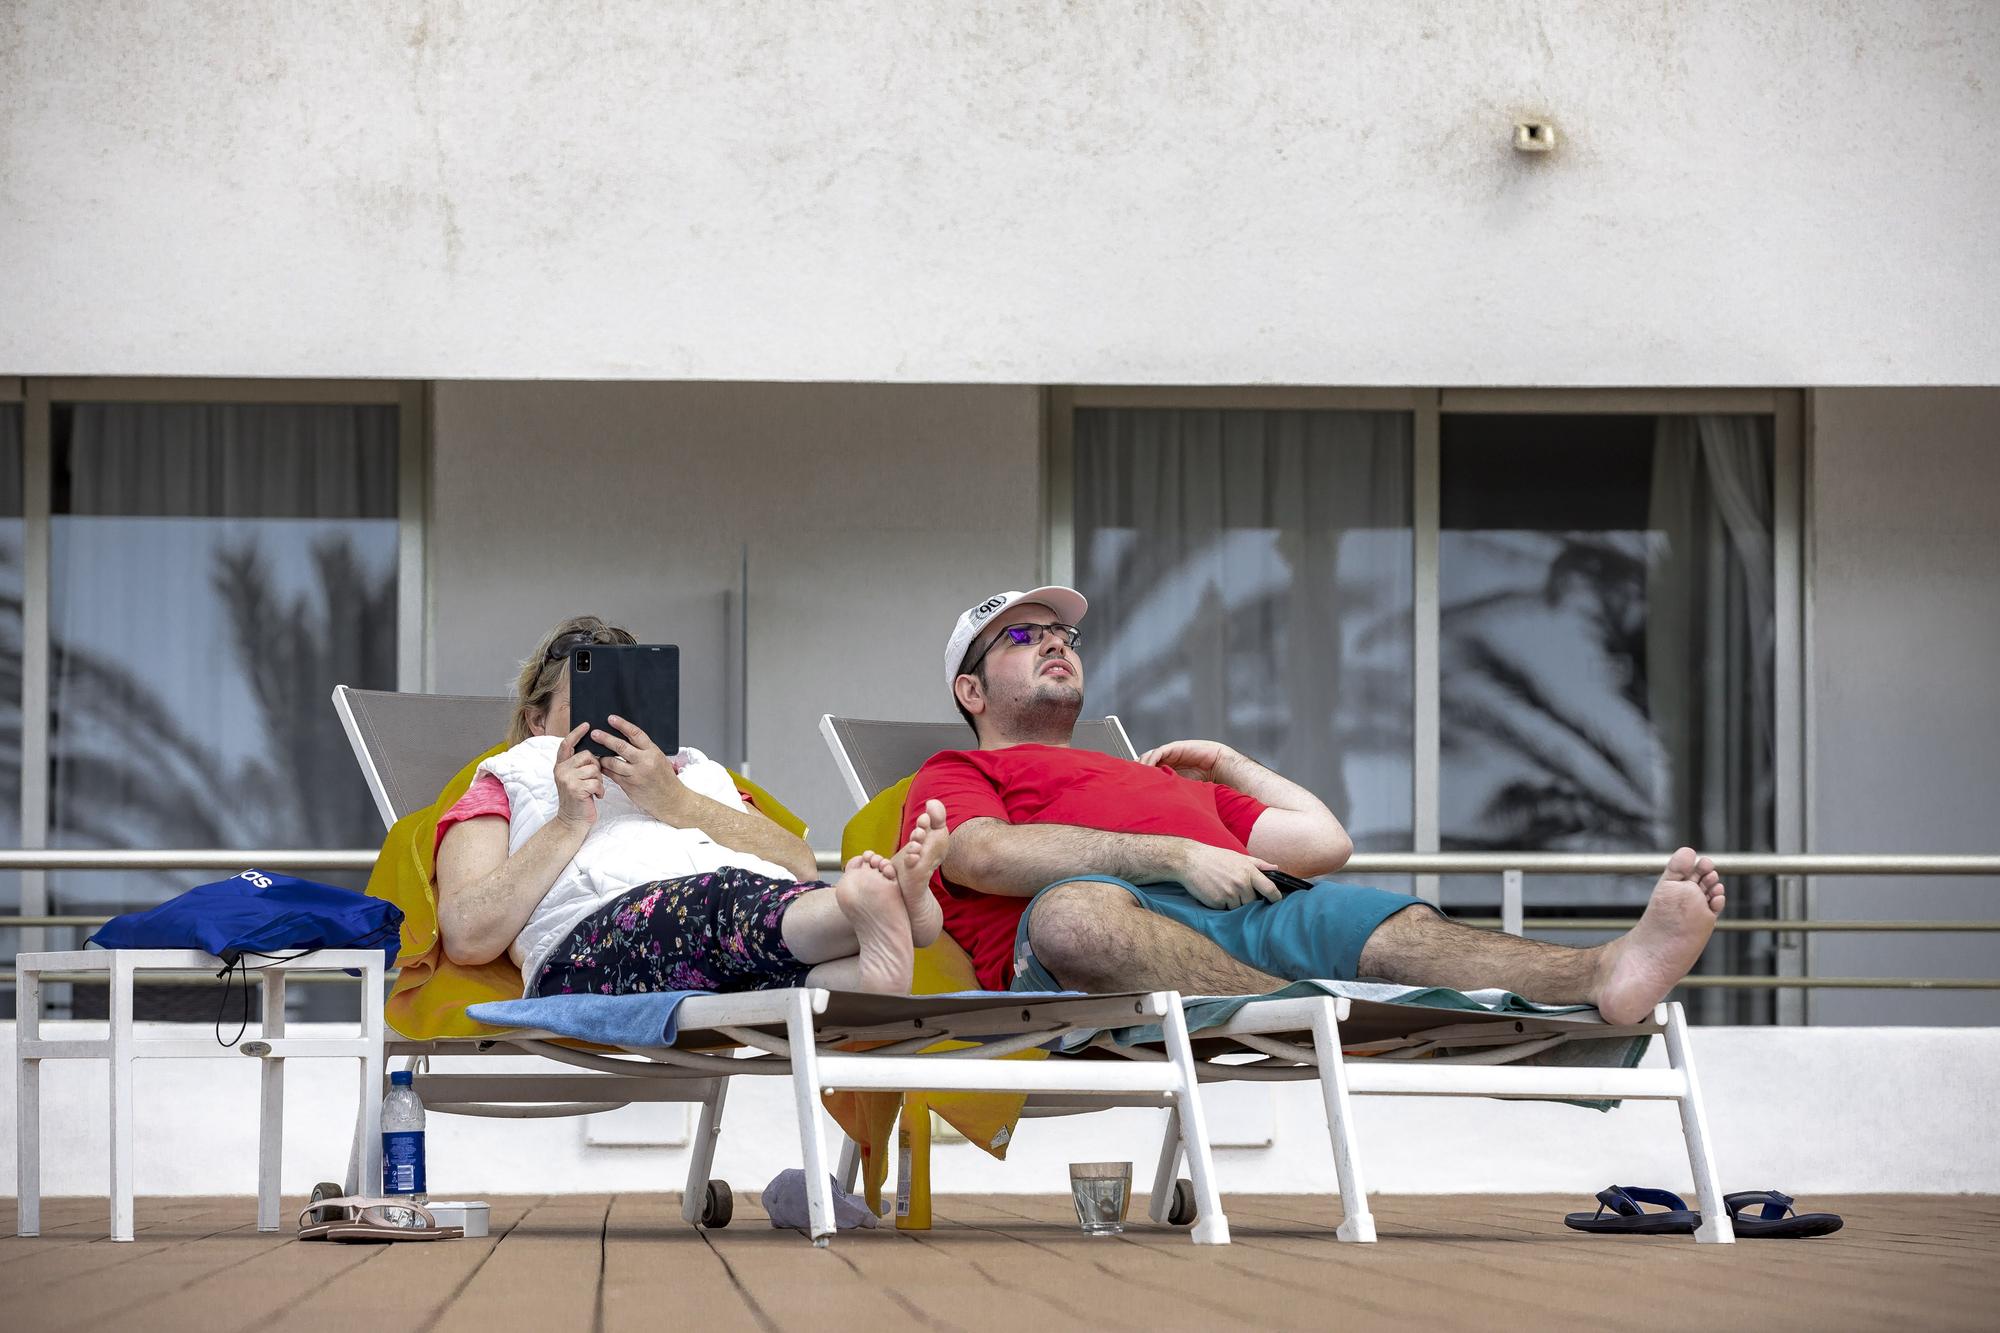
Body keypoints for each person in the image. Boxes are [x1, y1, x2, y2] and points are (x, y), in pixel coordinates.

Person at [905, 588, 1726, 1024]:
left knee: (1386, 921)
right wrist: (1175, 856)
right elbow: (980, 856)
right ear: (970, 689)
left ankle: (1605, 970)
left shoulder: (1155, 777)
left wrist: (1231, 764)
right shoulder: (955, 768)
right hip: (1100, 930)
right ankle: (1308, 1013)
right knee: (1072, 917)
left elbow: (1322, 842)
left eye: (1062, 635)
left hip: (1245, 912)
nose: (1054, 641)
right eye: (1021, 636)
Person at [438, 616, 948, 997]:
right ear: (536, 722)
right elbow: (465, 934)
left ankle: (871, 965)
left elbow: (798, 862)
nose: (614, 726)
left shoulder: (694, 774)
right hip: (587, 950)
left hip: (717, 945)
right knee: (717, 899)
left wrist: (676, 799)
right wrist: (567, 821)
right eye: (590, 708)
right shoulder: (508, 778)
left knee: (794, 970)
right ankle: (883, 909)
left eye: (629, 709)